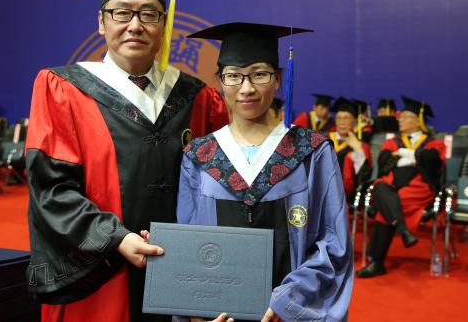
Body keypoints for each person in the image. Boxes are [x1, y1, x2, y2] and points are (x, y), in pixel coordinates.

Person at [25, 0, 230, 322]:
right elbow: (51, 190)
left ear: (164, 24)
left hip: (180, 273)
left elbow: (214, 192)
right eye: (121, 13)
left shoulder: (197, 97)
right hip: (101, 275)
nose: (135, 25)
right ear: (101, 22)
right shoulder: (65, 90)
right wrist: (116, 238)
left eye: (149, 14)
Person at [179, 22, 353, 321]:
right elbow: (186, 242)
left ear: (278, 79)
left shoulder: (311, 151)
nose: (246, 88)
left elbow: (333, 242)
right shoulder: (199, 155)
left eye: (259, 74)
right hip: (218, 313)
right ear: (220, 81)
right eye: (233, 75)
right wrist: (197, 308)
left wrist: (290, 299)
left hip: (287, 311)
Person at [356, 96, 445, 278]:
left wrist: (404, 154)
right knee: (379, 187)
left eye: (405, 117)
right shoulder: (392, 141)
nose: (400, 120)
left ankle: (377, 262)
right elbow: (384, 162)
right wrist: (415, 158)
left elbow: (432, 161)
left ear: (418, 121)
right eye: (400, 117)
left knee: (385, 207)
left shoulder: (434, 142)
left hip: (417, 189)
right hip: (392, 186)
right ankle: (403, 231)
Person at [328, 97, 373, 201]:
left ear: (355, 121)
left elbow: (364, 176)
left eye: (346, 118)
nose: (342, 122)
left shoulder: (361, 145)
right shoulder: (325, 140)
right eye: (339, 118)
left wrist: (358, 151)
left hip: (346, 195)